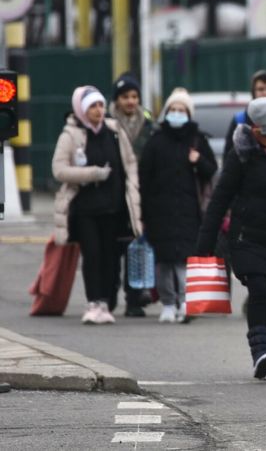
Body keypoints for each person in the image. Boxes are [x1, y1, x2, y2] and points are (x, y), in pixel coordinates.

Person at [197, 97, 266, 380]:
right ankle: (260, 353)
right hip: (248, 239)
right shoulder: (242, 155)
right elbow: (220, 199)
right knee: (259, 288)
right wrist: (204, 245)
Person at [51, 85, 143, 325]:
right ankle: (93, 302)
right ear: (81, 109)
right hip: (85, 208)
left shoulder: (113, 131)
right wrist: (92, 174)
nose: (98, 110)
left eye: (101, 105)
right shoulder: (71, 135)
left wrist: (132, 187)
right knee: (91, 255)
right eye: (92, 106)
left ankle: (106, 302)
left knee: (110, 256)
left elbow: (129, 161)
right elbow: (59, 169)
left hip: (112, 206)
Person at [139, 88, 218, 324]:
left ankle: (186, 301)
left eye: (181, 110)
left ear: (189, 113)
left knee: (185, 260)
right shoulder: (156, 141)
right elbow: (144, 177)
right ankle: (167, 303)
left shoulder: (197, 140)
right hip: (160, 211)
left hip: (189, 211)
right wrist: (144, 212)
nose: (176, 113)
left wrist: (198, 161)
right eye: (172, 109)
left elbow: (212, 171)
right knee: (163, 262)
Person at [109, 72, 156, 317]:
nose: (130, 101)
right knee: (111, 250)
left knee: (137, 248)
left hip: (141, 195)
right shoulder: (106, 124)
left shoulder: (148, 126)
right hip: (114, 194)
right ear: (117, 99)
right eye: (125, 96)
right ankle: (108, 295)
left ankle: (134, 298)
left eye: (134, 96)